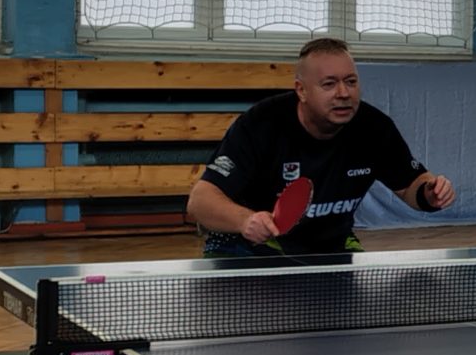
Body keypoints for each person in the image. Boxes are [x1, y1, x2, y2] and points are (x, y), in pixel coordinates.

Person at [187, 37, 455, 255]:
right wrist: (245, 220)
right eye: (329, 84)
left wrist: (429, 193)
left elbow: (410, 185)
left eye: (351, 82)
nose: (343, 93)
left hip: (330, 244)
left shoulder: (374, 128)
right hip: (250, 244)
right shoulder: (261, 124)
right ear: (301, 90)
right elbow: (199, 202)